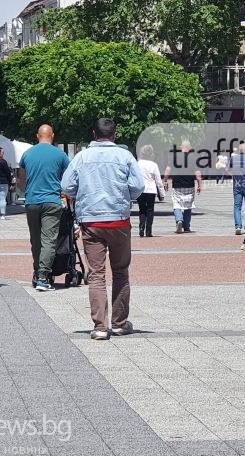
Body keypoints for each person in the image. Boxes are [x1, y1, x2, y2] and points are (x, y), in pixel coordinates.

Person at [61, 118, 144, 340]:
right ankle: (119, 322)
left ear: (94, 134)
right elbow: (138, 186)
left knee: (96, 274)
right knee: (120, 271)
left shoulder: (81, 157)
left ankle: (100, 326)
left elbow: (67, 186)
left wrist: (83, 194)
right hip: (118, 220)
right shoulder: (125, 156)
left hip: (91, 222)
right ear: (114, 135)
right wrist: (124, 196)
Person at [19, 124, 71, 291]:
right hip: (52, 201)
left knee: (36, 240)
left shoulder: (27, 154)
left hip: (32, 201)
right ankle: (43, 277)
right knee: (49, 240)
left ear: (37, 135)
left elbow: (21, 180)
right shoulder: (60, 155)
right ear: (52, 135)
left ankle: (36, 271)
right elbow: (69, 179)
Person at [163, 140, 202, 234]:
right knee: (188, 206)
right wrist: (199, 185)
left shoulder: (174, 157)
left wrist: (165, 180)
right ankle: (187, 226)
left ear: (181, 147)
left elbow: (168, 169)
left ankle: (179, 220)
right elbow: (198, 173)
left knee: (177, 204)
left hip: (177, 185)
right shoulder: (194, 158)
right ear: (189, 148)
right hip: (189, 185)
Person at [137, 144, 165, 237]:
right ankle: (148, 231)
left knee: (142, 209)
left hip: (140, 189)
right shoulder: (154, 165)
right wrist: (161, 194)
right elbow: (158, 181)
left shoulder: (138, 163)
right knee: (150, 210)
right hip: (151, 190)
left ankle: (141, 226)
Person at [228, 143, 245, 235]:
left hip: (237, 185)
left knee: (237, 206)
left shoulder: (233, 159)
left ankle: (238, 226)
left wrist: (234, 175)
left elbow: (228, 170)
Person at [0, 147, 14, 220]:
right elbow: (8, 173)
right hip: (3, 182)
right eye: (2, 152)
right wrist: (11, 183)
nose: (3, 154)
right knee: (2, 199)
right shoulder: (3, 161)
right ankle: (3, 215)